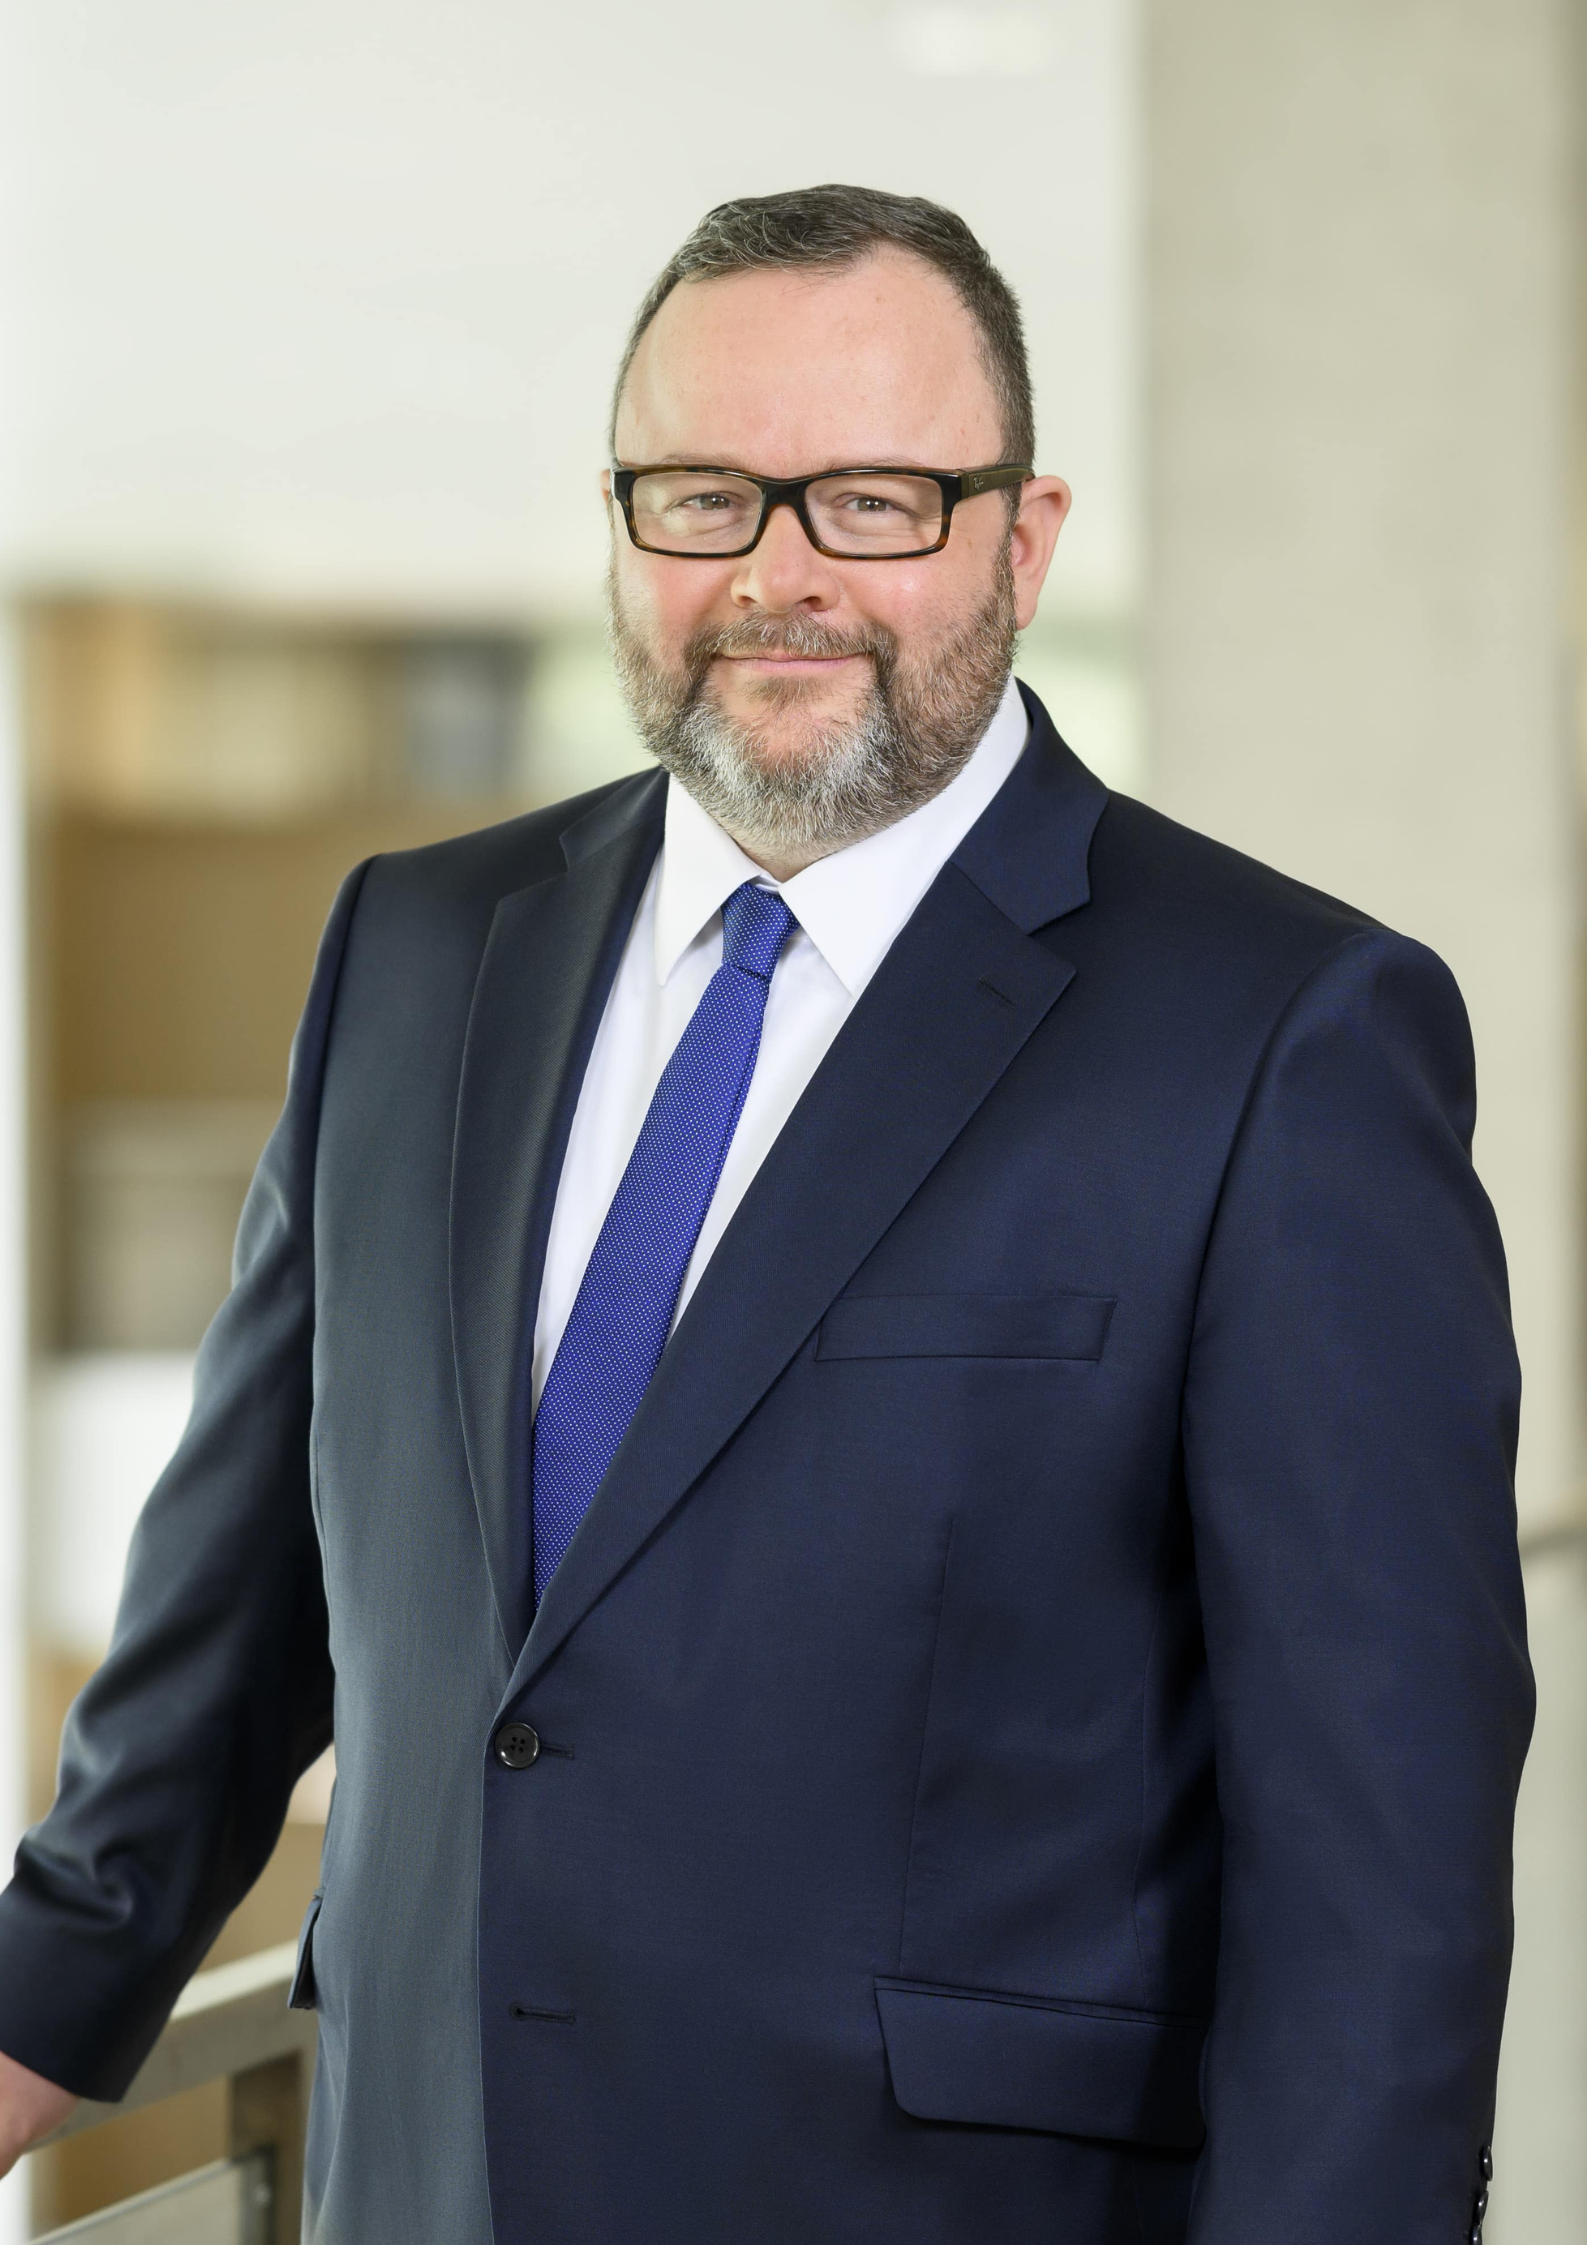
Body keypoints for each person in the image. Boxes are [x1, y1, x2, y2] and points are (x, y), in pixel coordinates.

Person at [0, 185, 1531, 2245]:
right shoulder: (417, 953)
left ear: (1020, 538)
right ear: (620, 526)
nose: (774, 575)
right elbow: (239, 1610)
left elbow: (1381, 1875)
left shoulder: (1279, 1033)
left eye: (872, 501)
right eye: (703, 497)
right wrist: (39, 2007)